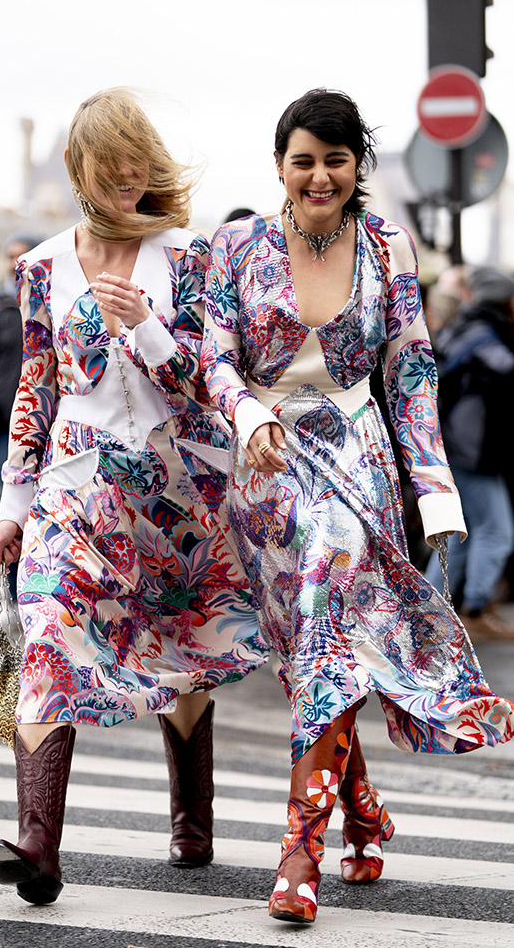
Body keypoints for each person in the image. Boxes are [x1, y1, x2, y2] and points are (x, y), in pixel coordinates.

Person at [200, 88, 514, 925]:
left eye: (335, 160)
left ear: (356, 168)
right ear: (278, 166)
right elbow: (214, 358)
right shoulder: (236, 246)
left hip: (353, 457)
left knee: (330, 624)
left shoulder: (389, 248)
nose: (318, 176)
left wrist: (435, 488)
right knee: (311, 653)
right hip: (264, 471)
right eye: (302, 159)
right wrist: (246, 412)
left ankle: (298, 850)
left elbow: (411, 375)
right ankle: (362, 810)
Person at [0, 88, 267, 906]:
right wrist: (13, 504)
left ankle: (191, 816)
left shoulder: (190, 258)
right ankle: (38, 842)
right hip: (74, 494)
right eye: (109, 164)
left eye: (136, 163)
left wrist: (146, 326)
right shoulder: (41, 267)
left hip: (176, 495)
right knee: (47, 636)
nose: (124, 178)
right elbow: (34, 386)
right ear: (80, 167)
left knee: (183, 653)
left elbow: (211, 380)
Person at [425, 266, 514, 641]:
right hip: (470, 451)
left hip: (456, 446)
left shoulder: (470, 328)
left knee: (457, 532)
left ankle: (428, 611)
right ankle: (474, 608)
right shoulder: (482, 334)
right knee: (495, 531)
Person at [0, 234, 42, 488]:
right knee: (9, 492)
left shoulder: (53, 303)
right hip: (4, 419)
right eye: (10, 256)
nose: (14, 263)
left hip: (44, 419)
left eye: (20, 256)